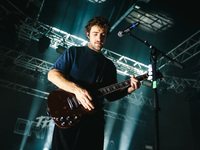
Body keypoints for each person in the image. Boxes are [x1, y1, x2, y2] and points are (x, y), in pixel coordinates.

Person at [47, 16, 141, 150]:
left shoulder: (108, 65)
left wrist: (128, 90)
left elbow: (110, 96)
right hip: (69, 116)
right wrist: (77, 90)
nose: (99, 38)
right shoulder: (74, 52)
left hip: (93, 122)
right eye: (95, 34)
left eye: (103, 35)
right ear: (88, 34)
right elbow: (52, 74)